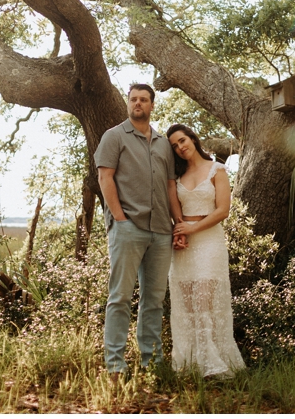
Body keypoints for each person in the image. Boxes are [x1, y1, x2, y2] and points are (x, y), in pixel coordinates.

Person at [94, 83, 183, 377]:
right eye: (133, 99)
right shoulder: (114, 136)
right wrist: (120, 220)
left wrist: (178, 223)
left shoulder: (162, 143)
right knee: (120, 297)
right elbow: (105, 179)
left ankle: (151, 361)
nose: (138, 103)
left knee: (154, 301)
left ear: (152, 105)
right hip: (128, 227)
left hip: (161, 231)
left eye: (144, 99)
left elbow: (170, 186)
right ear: (128, 103)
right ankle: (116, 364)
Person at [167, 123, 246, 377]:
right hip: (184, 247)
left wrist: (192, 229)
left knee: (204, 302)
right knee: (187, 306)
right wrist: (179, 231)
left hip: (209, 242)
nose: (180, 147)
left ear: (192, 138)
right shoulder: (176, 177)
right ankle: (190, 363)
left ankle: (213, 363)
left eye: (182, 140)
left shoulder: (217, 169)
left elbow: (223, 210)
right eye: (175, 146)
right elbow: (175, 210)